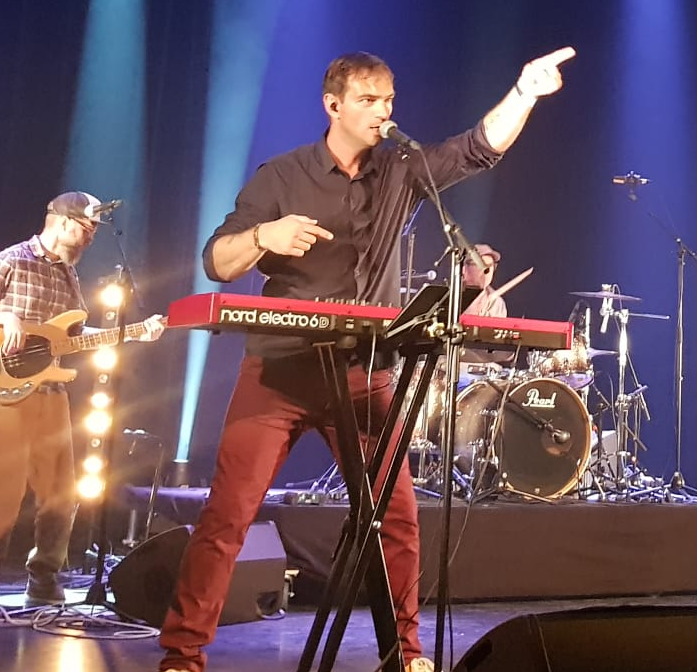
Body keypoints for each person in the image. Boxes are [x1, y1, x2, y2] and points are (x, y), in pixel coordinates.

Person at [158, 47, 575, 672]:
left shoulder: (402, 168)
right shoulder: (283, 174)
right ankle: (182, 655)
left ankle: (405, 655)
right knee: (227, 517)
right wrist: (262, 238)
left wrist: (524, 92)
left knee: (396, 520)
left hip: (363, 373)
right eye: (368, 101)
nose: (383, 112)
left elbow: (476, 148)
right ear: (334, 105)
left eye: (389, 101)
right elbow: (217, 260)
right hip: (281, 371)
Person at [0, 191, 165, 610]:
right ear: (62, 222)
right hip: (7, 393)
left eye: (95, 231)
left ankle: (43, 577)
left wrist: (133, 331)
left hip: (51, 393)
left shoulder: (69, 275)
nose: (91, 237)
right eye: (86, 228)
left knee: (61, 492)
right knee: (3, 494)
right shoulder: (13, 260)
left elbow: (71, 337)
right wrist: (3, 316)